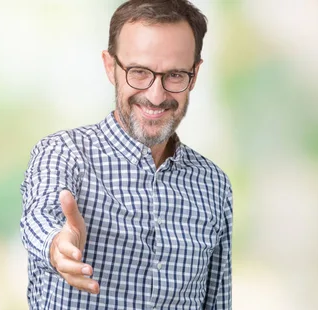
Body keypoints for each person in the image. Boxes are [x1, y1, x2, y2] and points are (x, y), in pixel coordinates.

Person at [19, 1, 233, 309]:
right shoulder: (64, 153)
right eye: (139, 72)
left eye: (175, 75)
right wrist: (57, 247)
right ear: (110, 67)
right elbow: (40, 216)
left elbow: (217, 302)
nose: (156, 95)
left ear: (195, 74)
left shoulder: (214, 185)